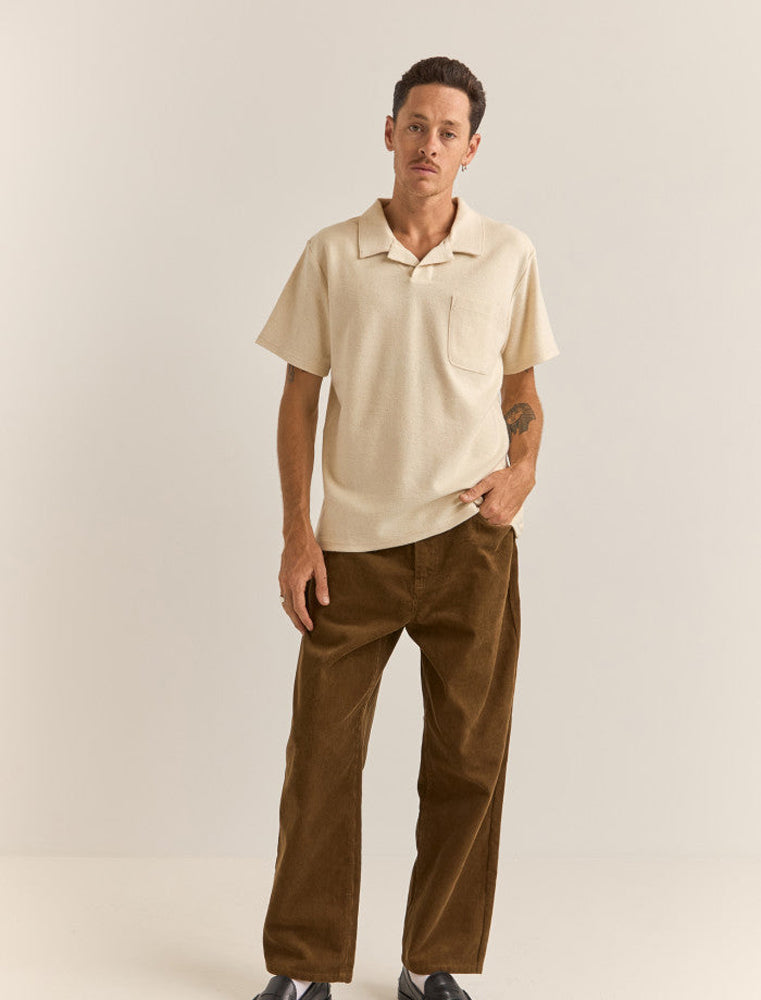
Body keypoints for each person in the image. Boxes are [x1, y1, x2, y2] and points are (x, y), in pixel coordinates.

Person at [251, 55, 560, 1000]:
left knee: (468, 760)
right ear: (389, 134)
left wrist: (521, 471)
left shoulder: (507, 254)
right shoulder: (331, 254)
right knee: (321, 760)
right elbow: (299, 396)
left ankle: (431, 963)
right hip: (351, 552)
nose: (429, 143)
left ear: (472, 148)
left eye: (447, 131)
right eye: (415, 125)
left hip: (471, 545)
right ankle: (303, 968)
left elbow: (520, 386)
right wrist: (297, 533)